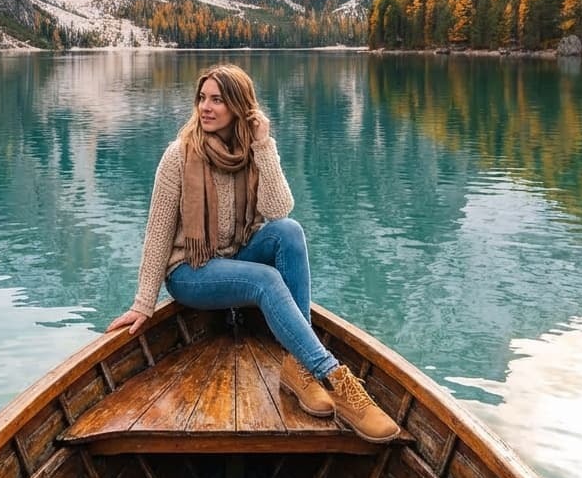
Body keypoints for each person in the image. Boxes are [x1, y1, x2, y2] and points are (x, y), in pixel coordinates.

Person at [106, 63, 399, 443]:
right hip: (191, 270)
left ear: (240, 108)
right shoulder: (179, 155)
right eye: (202, 98)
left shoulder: (250, 152)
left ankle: (298, 365)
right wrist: (145, 302)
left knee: (288, 232)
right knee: (265, 279)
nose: (205, 108)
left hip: (236, 256)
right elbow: (157, 232)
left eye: (217, 100)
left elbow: (279, 209)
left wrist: (263, 145)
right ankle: (334, 377)